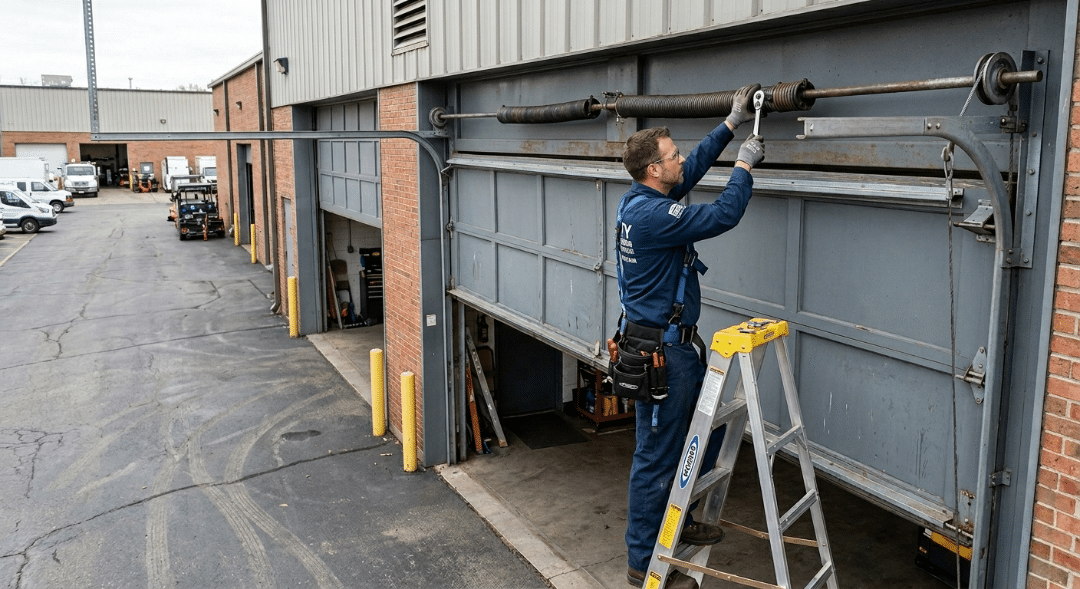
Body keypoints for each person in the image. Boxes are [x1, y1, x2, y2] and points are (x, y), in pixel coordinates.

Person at [616, 84, 764, 589]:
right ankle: (643, 565)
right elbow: (723, 214)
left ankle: (678, 523)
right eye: (671, 156)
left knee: (710, 433)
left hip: (676, 349)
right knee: (656, 458)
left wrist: (730, 123)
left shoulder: (646, 199)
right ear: (654, 170)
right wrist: (745, 165)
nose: (679, 159)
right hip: (662, 355)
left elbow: (694, 167)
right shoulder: (651, 215)